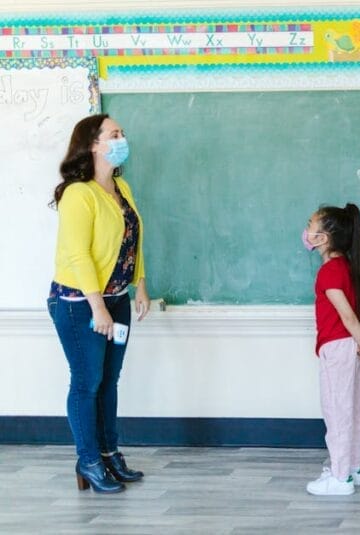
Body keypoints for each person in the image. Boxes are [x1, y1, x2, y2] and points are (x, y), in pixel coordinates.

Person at [48, 114, 150, 493]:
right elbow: (78, 255)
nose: (121, 138)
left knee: (109, 381)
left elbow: (133, 240)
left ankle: (109, 455)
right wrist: (97, 306)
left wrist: (140, 285)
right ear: (93, 144)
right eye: (113, 134)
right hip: (79, 304)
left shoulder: (121, 187)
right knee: (87, 381)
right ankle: (88, 461)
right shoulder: (78, 193)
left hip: (117, 298)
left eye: (122, 132)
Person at [303, 205, 360, 496]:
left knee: (337, 413)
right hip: (352, 348)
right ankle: (353, 468)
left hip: (338, 348)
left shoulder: (329, 272)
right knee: (354, 410)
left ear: (323, 238)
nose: (306, 231)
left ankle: (339, 477)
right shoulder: (348, 266)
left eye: (311, 225)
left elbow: (347, 315)